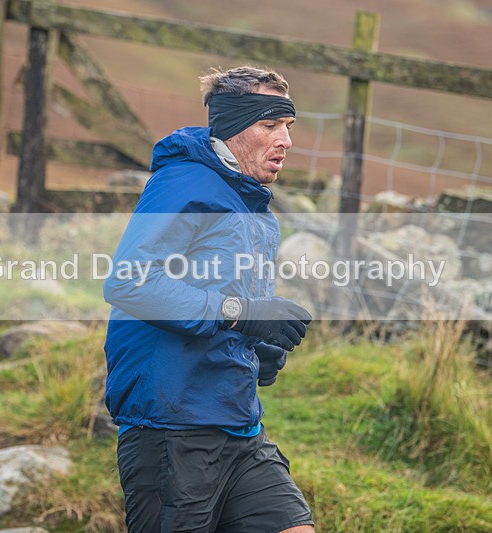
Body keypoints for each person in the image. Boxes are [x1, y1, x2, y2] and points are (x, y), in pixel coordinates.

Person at [103, 65, 315, 532]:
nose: (286, 140)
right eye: (270, 125)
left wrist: (255, 349)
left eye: (288, 127)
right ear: (236, 126)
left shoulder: (252, 205)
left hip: (237, 425)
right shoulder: (186, 184)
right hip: (171, 427)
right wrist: (243, 316)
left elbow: (218, 307)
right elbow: (129, 283)